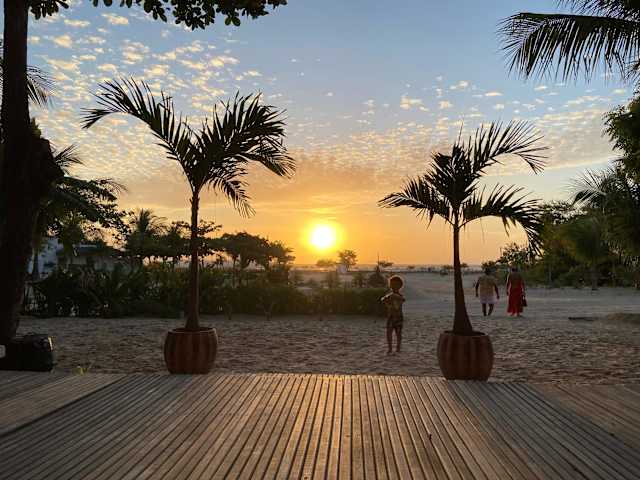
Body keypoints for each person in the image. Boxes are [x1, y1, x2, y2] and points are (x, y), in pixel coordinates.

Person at [381, 275, 405, 354]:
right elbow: (383, 300)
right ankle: (390, 348)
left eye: (396, 285)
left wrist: (392, 298)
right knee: (389, 332)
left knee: (398, 334)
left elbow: (401, 301)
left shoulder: (399, 296)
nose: (394, 286)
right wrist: (388, 303)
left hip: (398, 317)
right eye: (392, 285)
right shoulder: (390, 296)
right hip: (391, 316)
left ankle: (398, 348)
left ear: (400, 286)